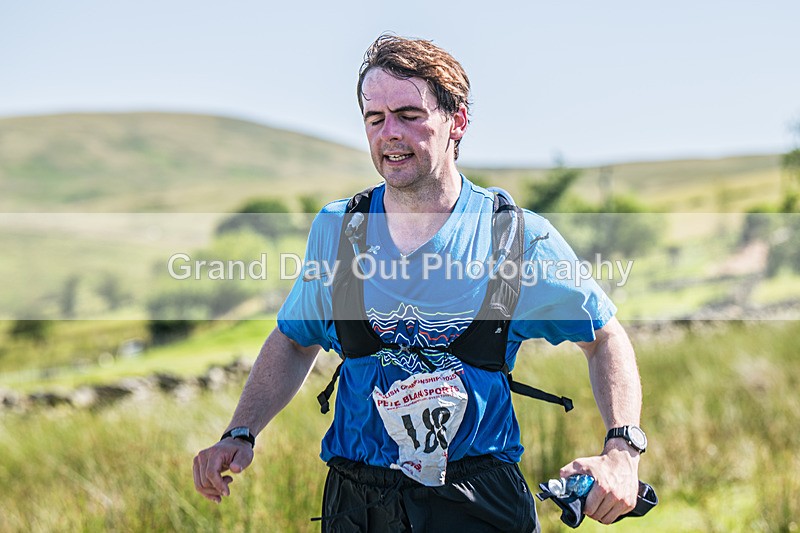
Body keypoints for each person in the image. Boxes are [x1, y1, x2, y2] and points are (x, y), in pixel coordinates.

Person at [193, 34, 644, 532]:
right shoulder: (339, 231)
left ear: (457, 121)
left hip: (479, 502)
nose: (390, 133)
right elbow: (295, 340)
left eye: (409, 115)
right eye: (374, 118)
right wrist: (241, 431)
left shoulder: (516, 237)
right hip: (356, 503)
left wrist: (622, 451)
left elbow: (603, 338)